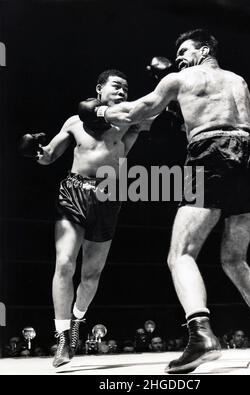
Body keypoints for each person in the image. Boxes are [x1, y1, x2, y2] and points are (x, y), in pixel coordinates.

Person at [97, 29, 250, 373]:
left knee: (180, 254)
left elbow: (136, 111)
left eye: (185, 50)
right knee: (236, 259)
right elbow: (218, 115)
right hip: (249, 157)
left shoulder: (179, 78)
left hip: (210, 154)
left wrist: (99, 111)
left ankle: (201, 335)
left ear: (205, 49)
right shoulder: (239, 81)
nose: (179, 57)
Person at [19, 69, 148, 368]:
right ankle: (63, 337)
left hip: (108, 196)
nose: (122, 92)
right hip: (73, 192)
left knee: (91, 275)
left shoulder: (129, 121)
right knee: (64, 262)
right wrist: (33, 151)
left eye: (126, 88)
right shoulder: (74, 122)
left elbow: (152, 110)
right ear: (99, 89)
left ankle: (77, 318)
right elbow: (48, 155)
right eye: (117, 86)